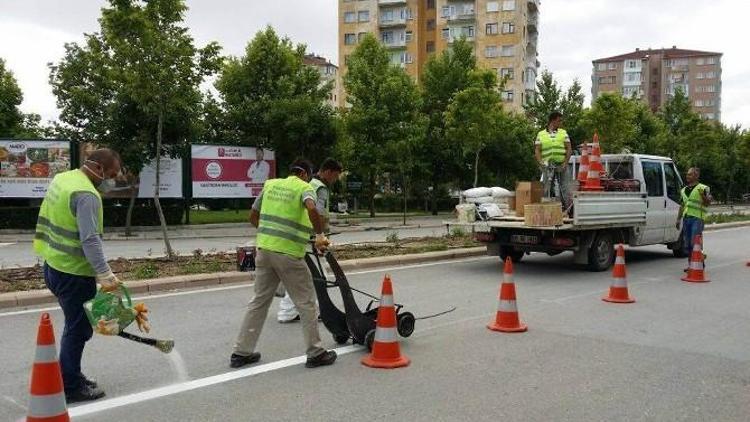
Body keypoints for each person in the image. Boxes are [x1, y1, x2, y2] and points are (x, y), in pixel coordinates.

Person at [33, 148, 122, 403]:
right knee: (78, 328)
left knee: (74, 324)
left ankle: (70, 373)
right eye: (112, 174)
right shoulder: (86, 195)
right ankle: (70, 385)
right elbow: (90, 240)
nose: (112, 179)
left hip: (52, 265)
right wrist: (105, 274)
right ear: (99, 168)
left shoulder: (64, 179)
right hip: (73, 274)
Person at [231, 158, 337, 369]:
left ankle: (241, 352)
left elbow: (253, 216)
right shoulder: (305, 187)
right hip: (288, 255)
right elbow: (311, 208)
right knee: (306, 302)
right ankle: (315, 352)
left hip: (265, 251)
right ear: (306, 174)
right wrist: (318, 235)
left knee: (259, 302)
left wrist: (269, 233)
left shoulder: (270, 185)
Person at [277, 158, 343, 323]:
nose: (334, 180)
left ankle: (291, 310)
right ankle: (296, 311)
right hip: (311, 239)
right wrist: (320, 237)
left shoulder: (308, 183)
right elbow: (318, 213)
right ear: (328, 171)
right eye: (335, 176)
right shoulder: (320, 188)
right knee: (318, 276)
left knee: (303, 277)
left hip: (299, 237)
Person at [534, 111, 573, 213]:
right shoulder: (541, 134)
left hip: (561, 164)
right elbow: (537, 150)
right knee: (547, 187)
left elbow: (569, 148)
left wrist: (565, 163)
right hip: (547, 165)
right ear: (552, 121)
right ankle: (548, 210)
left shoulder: (563, 133)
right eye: (559, 121)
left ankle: (567, 210)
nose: (560, 123)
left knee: (564, 187)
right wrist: (541, 162)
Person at [676, 167, 712, 270]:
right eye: (687, 174)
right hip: (686, 218)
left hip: (697, 218)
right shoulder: (684, 190)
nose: (687, 176)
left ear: (697, 176)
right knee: (687, 244)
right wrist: (678, 219)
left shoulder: (704, 188)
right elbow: (682, 205)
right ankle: (691, 265)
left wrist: (703, 196)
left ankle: (700, 264)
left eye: (690, 174)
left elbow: (708, 203)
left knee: (694, 242)